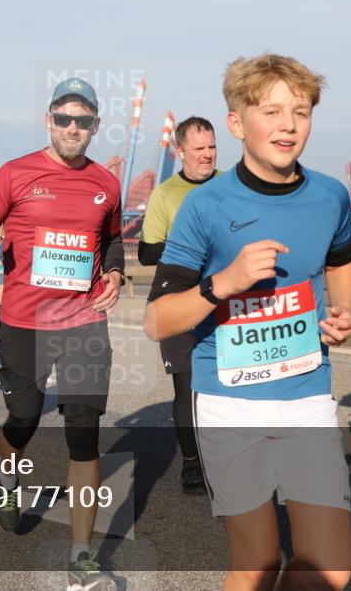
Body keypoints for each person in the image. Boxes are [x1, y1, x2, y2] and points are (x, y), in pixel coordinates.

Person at [144, 54, 351, 591]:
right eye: (272, 111)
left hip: (306, 394)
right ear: (237, 124)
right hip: (228, 402)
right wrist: (224, 283)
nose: (288, 125)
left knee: (330, 568)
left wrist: (342, 309)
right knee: (257, 565)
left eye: (301, 112)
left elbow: (341, 257)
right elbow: (157, 321)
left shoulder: (330, 195)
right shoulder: (205, 206)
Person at [0, 77, 123, 589]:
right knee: (24, 418)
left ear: (95, 125)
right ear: (48, 121)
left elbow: (113, 240)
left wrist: (115, 273)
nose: (72, 128)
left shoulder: (107, 183)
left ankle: (81, 556)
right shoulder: (14, 173)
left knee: (84, 432)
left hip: (83, 321)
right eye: (64, 118)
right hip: (25, 322)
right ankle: (7, 472)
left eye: (83, 120)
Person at [138, 115, 219, 495]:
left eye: (212, 147)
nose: (207, 154)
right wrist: (189, 244)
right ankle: (191, 463)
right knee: (186, 385)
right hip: (178, 294)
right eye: (199, 148)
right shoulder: (165, 194)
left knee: (229, 385)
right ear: (180, 150)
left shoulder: (232, 184)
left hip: (224, 295)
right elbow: (146, 252)